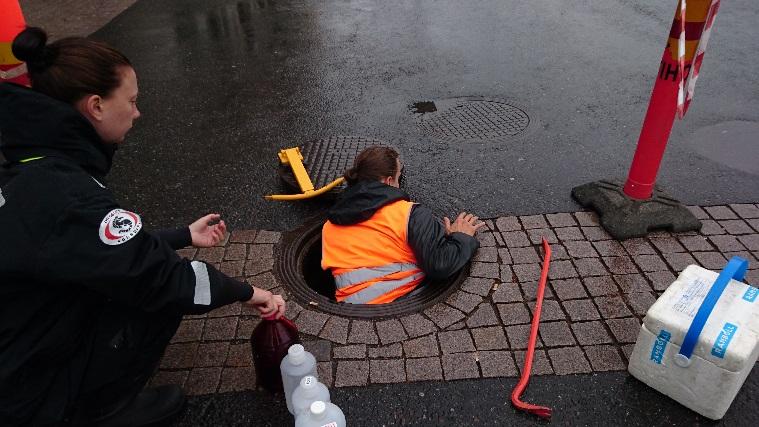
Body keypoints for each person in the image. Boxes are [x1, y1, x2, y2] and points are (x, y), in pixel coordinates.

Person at [0, 27, 285, 426]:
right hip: (25, 396)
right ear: (96, 106)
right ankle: (101, 411)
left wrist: (183, 236)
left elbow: (86, 247)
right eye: (131, 101)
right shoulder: (65, 192)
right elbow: (157, 276)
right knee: (156, 296)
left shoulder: (30, 164)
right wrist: (248, 292)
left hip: (18, 349)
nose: (137, 112)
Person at [321, 146, 485, 304]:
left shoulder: (330, 225)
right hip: (399, 302)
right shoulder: (408, 214)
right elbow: (440, 265)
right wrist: (460, 237)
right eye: (399, 178)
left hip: (349, 309)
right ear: (389, 180)